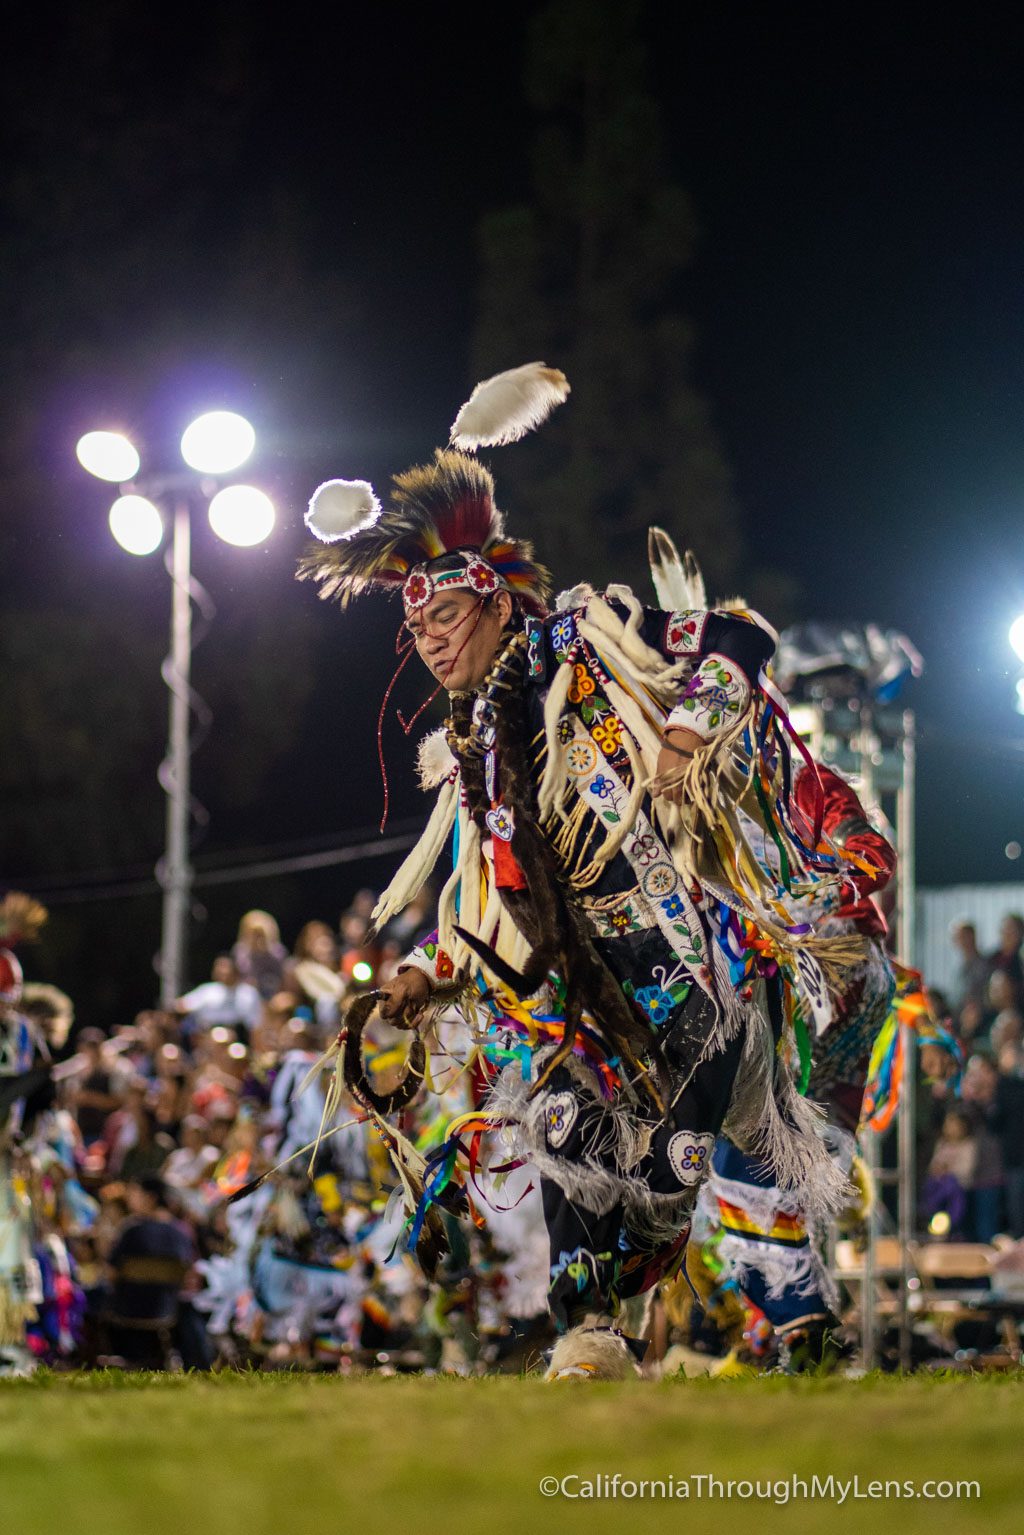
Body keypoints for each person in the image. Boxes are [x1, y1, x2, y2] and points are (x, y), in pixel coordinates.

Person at [297, 363, 865, 1378]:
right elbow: (486, 890)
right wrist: (432, 968)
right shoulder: (475, 750)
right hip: (579, 986)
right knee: (562, 1126)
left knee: (724, 1169)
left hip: (690, 947)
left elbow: (737, 633)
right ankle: (588, 1339)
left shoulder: (584, 639)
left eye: (443, 611)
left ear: (494, 594)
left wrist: (687, 736)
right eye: (411, 620)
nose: (425, 634)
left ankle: (804, 1335)